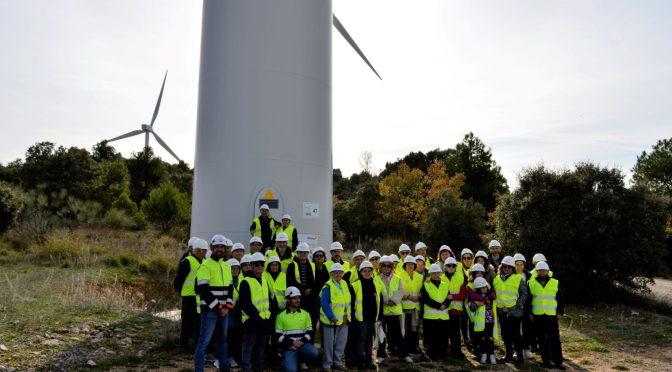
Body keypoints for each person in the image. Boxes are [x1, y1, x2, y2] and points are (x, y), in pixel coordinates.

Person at [194, 238, 234, 372]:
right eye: (217, 247)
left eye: (222, 247)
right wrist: (219, 308)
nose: (220, 249)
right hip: (210, 311)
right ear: (211, 248)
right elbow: (204, 290)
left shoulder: (226, 266)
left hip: (224, 311)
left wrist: (227, 307)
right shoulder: (205, 266)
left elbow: (230, 289)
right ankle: (199, 369)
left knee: (223, 339)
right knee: (204, 342)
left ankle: (224, 367)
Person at [239, 252, 276, 371]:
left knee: (261, 346)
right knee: (248, 347)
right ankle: (247, 368)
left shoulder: (264, 280)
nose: (260, 266)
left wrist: (268, 318)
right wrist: (257, 318)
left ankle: (258, 368)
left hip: (263, 320)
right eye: (257, 264)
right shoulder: (246, 281)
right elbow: (245, 304)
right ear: (252, 265)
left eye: (262, 264)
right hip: (251, 321)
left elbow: (268, 300)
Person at [525, 261, 565, 370]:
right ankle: (545, 361)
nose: (542, 272)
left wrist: (560, 312)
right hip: (538, 315)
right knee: (542, 339)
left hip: (552, 315)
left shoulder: (555, 282)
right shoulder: (531, 283)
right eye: (540, 270)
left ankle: (558, 362)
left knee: (555, 339)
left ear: (548, 271)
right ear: (537, 271)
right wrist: (529, 313)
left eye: (544, 270)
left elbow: (560, 299)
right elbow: (528, 300)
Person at [376, 255, 412, 364]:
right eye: (384, 266)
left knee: (398, 334)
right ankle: (381, 355)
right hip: (383, 312)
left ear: (392, 267)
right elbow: (379, 292)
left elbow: (401, 291)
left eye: (389, 266)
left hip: (395, 311)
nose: (386, 268)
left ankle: (403, 355)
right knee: (381, 334)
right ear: (381, 267)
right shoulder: (376, 279)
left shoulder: (397, 278)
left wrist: (394, 301)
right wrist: (387, 301)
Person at [174, 238, 208, 352]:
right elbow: (179, 279)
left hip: (199, 297)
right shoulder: (187, 261)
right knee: (187, 322)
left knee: (199, 321)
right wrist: (180, 292)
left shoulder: (204, 262)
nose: (205, 253)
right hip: (189, 296)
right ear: (197, 250)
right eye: (203, 251)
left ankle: (196, 346)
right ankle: (184, 346)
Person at [276, 286, 319, 372]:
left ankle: (301, 361)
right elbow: (278, 336)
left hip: (302, 345)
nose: (298, 300)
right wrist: (292, 343)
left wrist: (301, 342)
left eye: (299, 298)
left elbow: (309, 332)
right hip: (289, 347)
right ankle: (288, 360)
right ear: (288, 300)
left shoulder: (306, 314)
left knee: (314, 352)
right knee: (290, 370)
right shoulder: (280, 316)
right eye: (294, 298)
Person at [493, 256, 527, 364]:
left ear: (513, 268)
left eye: (509, 267)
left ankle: (520, 357)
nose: (507, 268)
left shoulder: (518, 278)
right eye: (505, 266)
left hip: (514, 312)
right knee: (505, 335)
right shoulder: (496, 279)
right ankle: (508, 355)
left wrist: (519, 305)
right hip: (501, 311)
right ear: (501, 267)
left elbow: (524, 293)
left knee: (516, 335)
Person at [349, 261, 381, 369]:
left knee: (369, 339)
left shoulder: (376, 284)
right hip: (360, 319)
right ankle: (360, 361)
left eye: (369, 271)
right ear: (360, 272)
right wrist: (352, 319)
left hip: (372, 318)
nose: (367, 273)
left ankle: (369, 360)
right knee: (361, 339)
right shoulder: (355, 285)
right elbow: (351, 304)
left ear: (372, 272)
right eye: (364, 271)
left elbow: (378, 302)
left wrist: (379, 317)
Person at [320, 263, 351, 371]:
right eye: (335, 272)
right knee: (329, 344)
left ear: (342, 273)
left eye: (340, 272)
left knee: (341, 343)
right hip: (330, 320)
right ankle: (327, 365)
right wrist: (331, 316)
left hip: (344, 319)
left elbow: (346, 301)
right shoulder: (327, 286)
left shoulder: (344, 284)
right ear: (331, 274)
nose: (338, 274)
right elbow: (324, 304)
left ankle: (338, 362)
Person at [420, 263, 450, 360]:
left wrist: (445, 304)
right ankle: (432, 354)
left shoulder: (445, 285)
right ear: (430, 274)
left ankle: (442, 354)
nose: (436, 275)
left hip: (443, 316)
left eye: (438, 273)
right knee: (431, 338)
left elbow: (449, 297)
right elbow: (425, 299)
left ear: (440, 273)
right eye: (434, 273)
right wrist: (439, 306)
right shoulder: (426, 284)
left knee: (443, 337)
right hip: (430, 317)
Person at [468, 277, 498, 365]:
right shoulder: (476, 299)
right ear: (478, 289)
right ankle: (484, 355)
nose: (484, 289)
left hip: (490, 322)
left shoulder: (491, 298)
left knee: (490, 339)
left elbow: (494, 298)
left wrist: (486, 301)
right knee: (483, 339)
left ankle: (492, 355)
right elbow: (471, 307)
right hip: (481, 324)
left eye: (485, 287)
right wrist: (480, 303)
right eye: (482, 287)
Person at [441, 257, 467, 358]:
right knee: (444, 332)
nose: (451, 267)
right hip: (444, 310)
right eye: (449, 266)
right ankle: (445, 351)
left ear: (456, 267)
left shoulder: (460, 278)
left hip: (456, 309)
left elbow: (463, 295)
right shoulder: (441, 278)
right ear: (445, 266)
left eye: (453, 266)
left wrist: (452, 297)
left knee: (455, 332)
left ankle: (456, 351)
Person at [286, 242, 317, 323]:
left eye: (305, 252)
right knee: (297, 322)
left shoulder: (313, 265)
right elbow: (290, 282)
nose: (303, 254)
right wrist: (303, 291)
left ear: (308, 253)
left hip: (310, 298)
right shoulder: (291, 266)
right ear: (297, 253)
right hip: (296, 298)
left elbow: (316, 281)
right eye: (301, 252)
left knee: (310, 321)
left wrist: (310, 291)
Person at [514, 253, 536, 359]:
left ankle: (526, 349)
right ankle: (517, 350)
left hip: (527, 307)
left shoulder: (529, 276)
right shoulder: (511, 275)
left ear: (524, 265)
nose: (519, 266)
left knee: (527, 329)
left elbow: (532, 293)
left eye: (521, 264)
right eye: (517, 264)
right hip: (515, 307)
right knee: (516, 330)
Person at [399, 256, 422, 355]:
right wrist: (408, 297)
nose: (410, 266)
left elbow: (422, 290)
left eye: (412, 264)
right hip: (405, 308)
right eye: (408, 264)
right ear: (404, 266)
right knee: (405, 330)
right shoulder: (399, 276)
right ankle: (405, 349)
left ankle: (413, 348)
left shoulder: (419, 277)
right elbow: (397, 291)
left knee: (414, 330)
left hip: (416, 308)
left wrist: (419, 297)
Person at [457, 248, 475, 350]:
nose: (467, 260)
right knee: (463, 321)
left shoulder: (475, 268)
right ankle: (466, 339)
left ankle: (472, 340)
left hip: (472, 300)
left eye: (469, 258)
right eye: (465, 258)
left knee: (472, 320)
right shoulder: (458, 268)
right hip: (462, 300)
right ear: (462, 259)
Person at [227, 258, 242, 368]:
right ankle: (227, 357)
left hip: (238, 312)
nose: (235, 270)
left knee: (236, 335)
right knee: (228, 335)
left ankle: (234, 356)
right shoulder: (225, 280)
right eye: (233, 268)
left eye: (237, 268)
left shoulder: (242, 280)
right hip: (228, 311)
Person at [311, 247, 330, 331]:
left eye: (321, 256)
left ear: (324, 257)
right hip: (313, 299)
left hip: (324, 298)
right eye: (317, 256)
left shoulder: (327, 268)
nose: (319, 257)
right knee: (313, 322)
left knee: (324, 323)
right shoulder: (310, 267)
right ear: (314, 258)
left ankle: (324, 343)